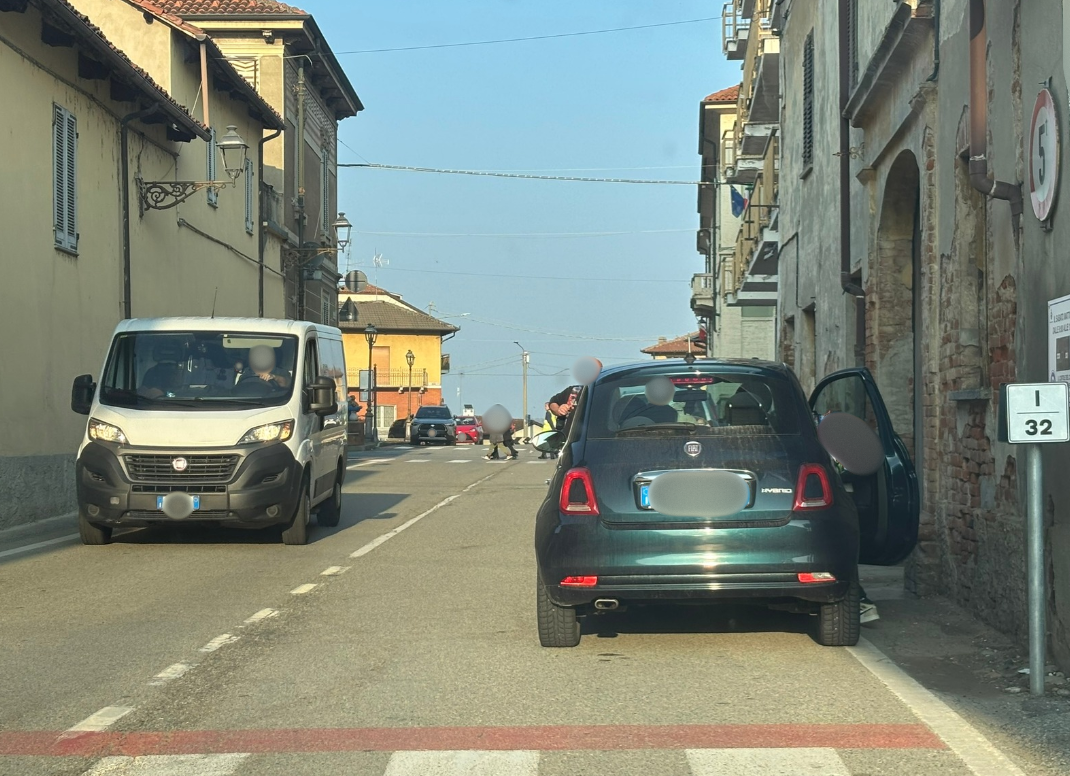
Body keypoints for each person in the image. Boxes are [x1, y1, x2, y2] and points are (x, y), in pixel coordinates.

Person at [816, 408, 880, 625]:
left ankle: (860, 601)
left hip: (843, 505)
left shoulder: (834, 444)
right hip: (846, 504)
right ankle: (860, 600)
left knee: (841, 551)